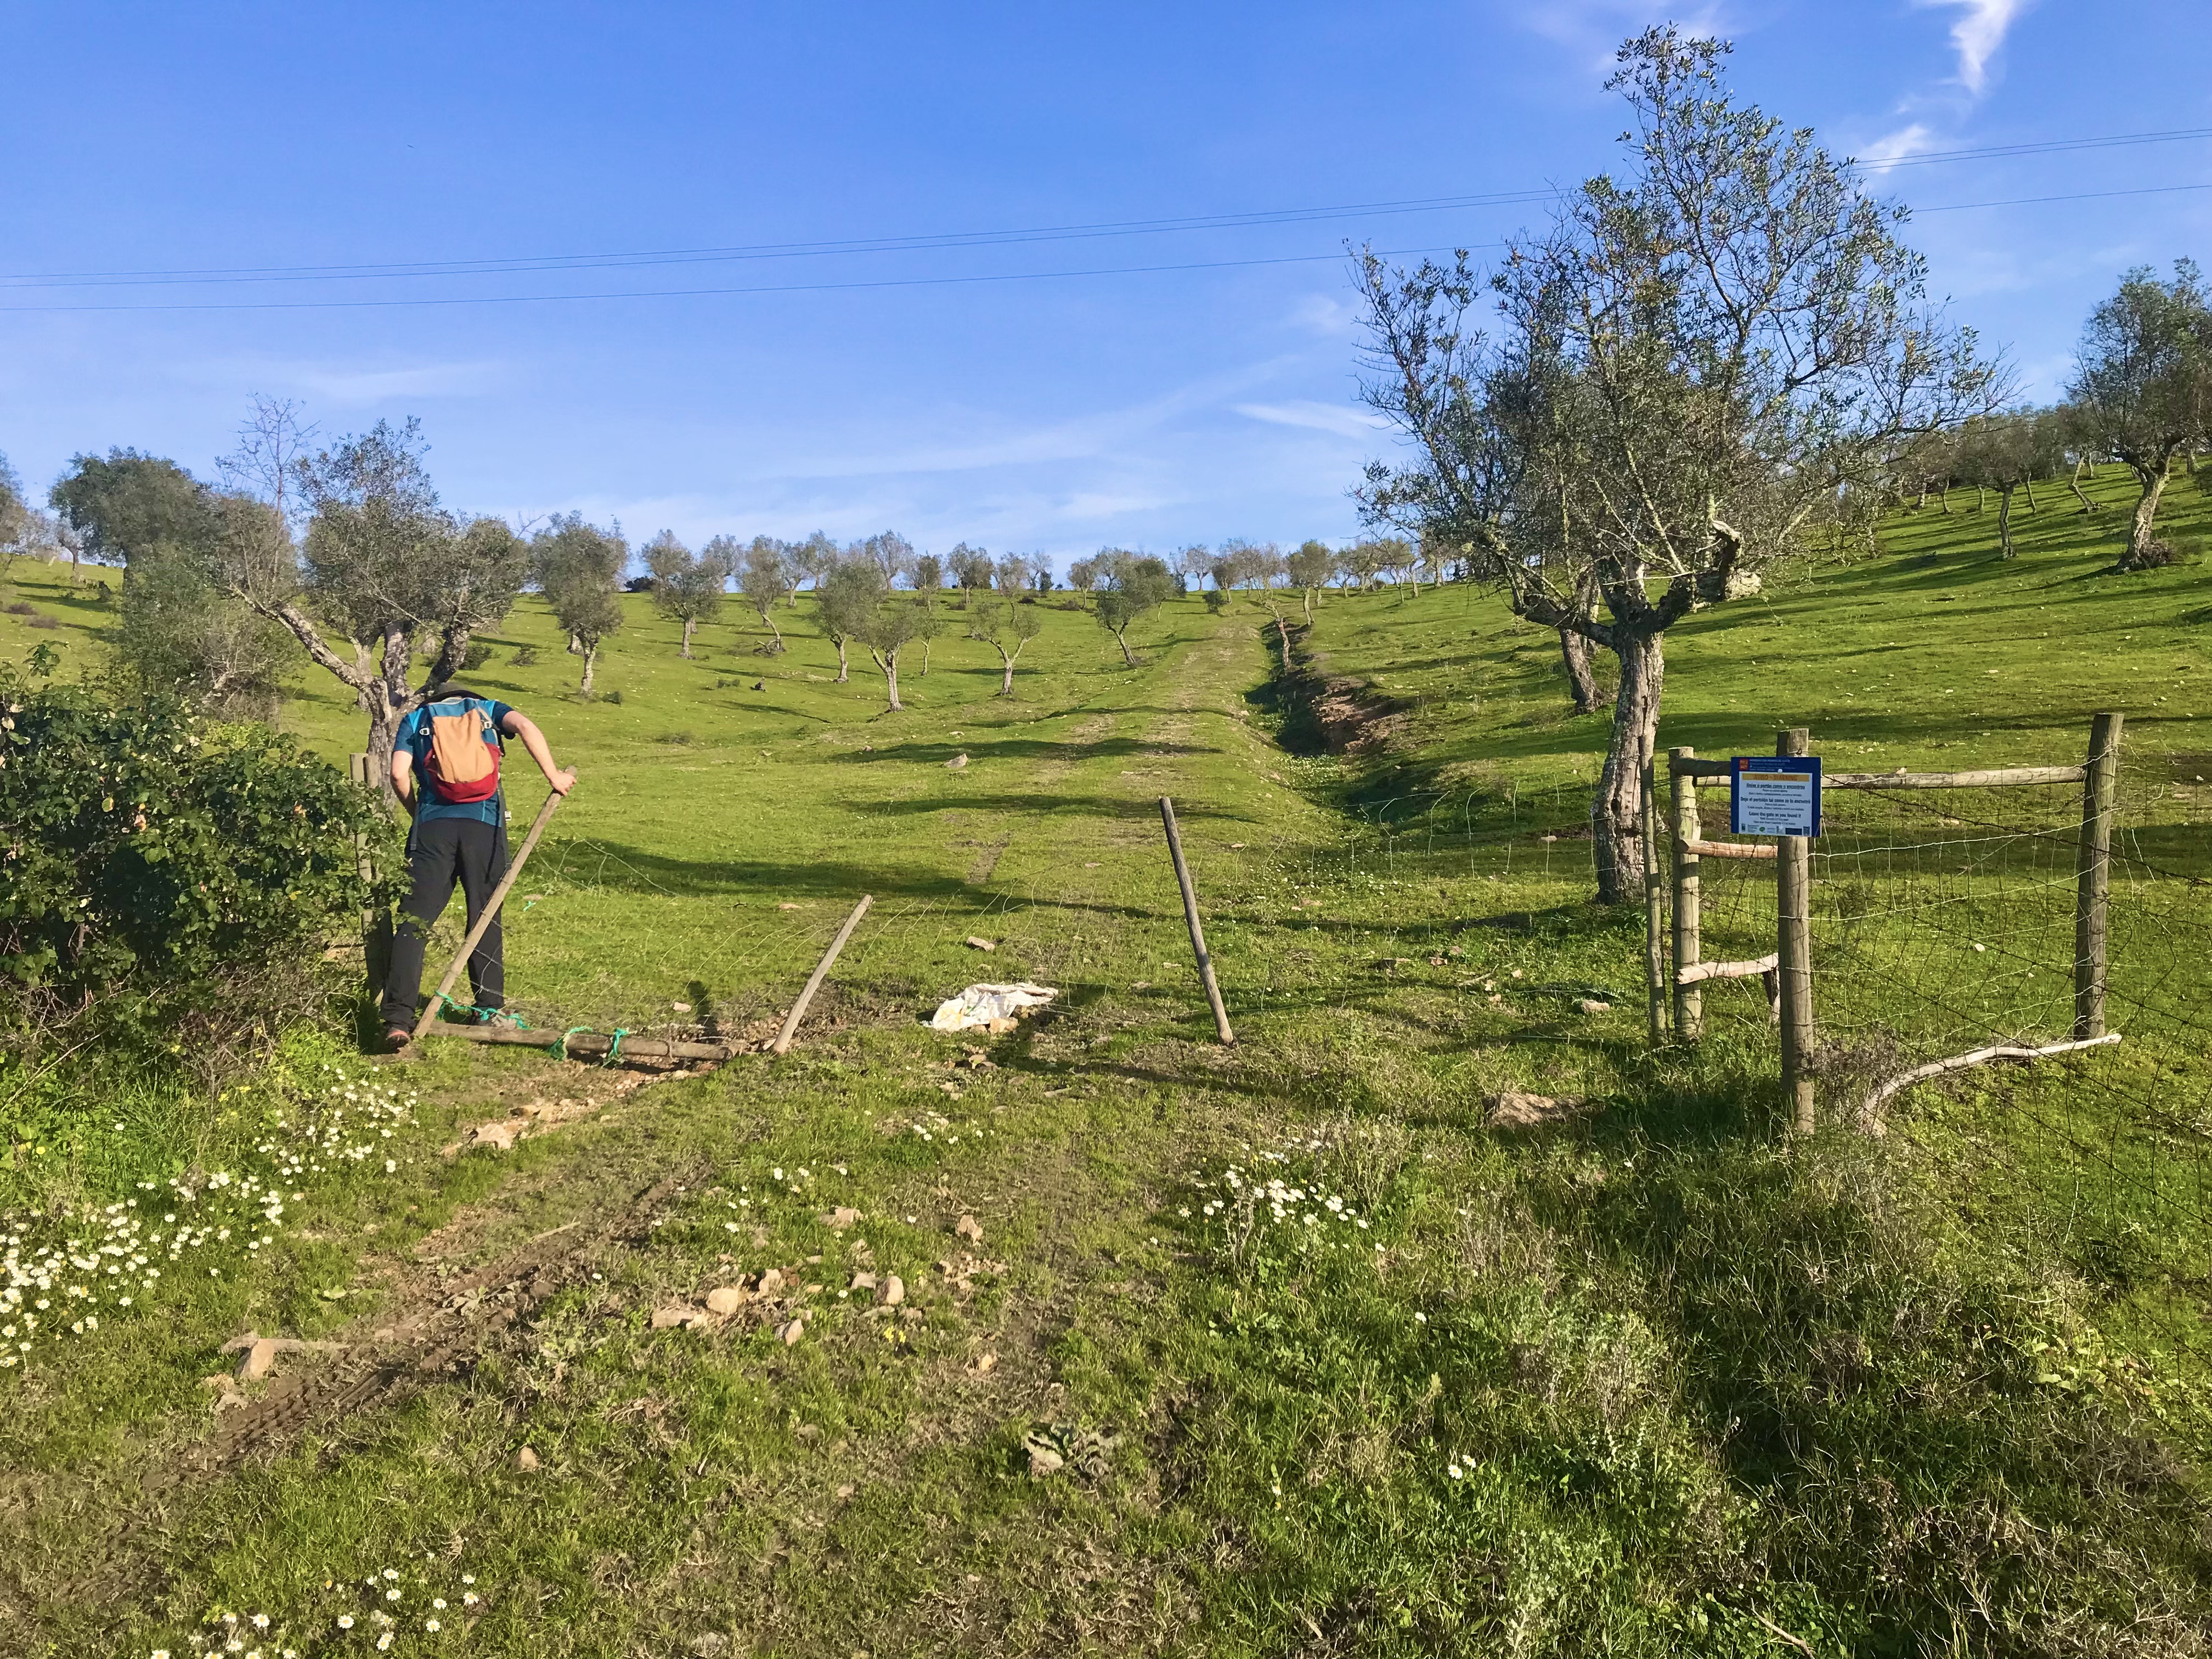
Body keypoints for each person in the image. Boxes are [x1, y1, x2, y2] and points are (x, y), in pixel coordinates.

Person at [380, 685, 575, 1049]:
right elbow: (528, 726)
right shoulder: (489, 710)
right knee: (484, 915)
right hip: (484, 826)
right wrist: (554, 777)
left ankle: (398, 1019)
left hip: (433, 830)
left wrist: (417, 813)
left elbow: (397, 775)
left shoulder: (416, 718)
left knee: (415, 920)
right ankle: (487, 1009)